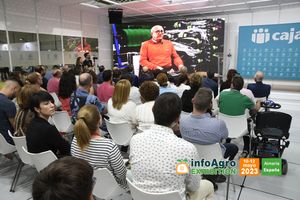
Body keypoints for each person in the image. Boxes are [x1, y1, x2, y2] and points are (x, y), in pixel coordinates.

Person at [130, 93, 214, 200]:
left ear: (153, 111)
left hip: (140, 197)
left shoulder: (135, 140)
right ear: (177, 119)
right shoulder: (187, 148)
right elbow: (194, 186)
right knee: (208, 186)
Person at [71, 105, 127, 188]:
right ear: (99, 120)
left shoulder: (75, 140)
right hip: (112, 187)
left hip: (88, 184)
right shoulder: (109, 146)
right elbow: (122, 174)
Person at [180, 88, 238, 160]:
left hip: (191, 158)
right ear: (210, 106)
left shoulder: (182, 121)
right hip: (212, 160)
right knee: (233, 147)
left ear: (192, 100)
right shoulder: (219, 124)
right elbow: (225, 136)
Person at [219, 75, 260, 157]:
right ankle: (245, 150)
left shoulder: (222, 94)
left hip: (223, 128)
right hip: (239, 129)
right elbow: (254, 111)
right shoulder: (245, 99)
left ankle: (226, 144)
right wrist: (258, 103)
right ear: (241, 87)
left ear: (232, 85)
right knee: (248, 121)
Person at [26, 91, 70, 157]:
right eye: (46, 104)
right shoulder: (48, 128)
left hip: (39, 163)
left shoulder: (32, 123)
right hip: (54, 163)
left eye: (52, 102)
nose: (52, 105)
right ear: (37, 109)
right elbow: (66, 149)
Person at [0, 78, 21, 144]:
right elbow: (15, 126)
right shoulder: (8, 103)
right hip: (7, 140)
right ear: (14, 88)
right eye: (19, 90)